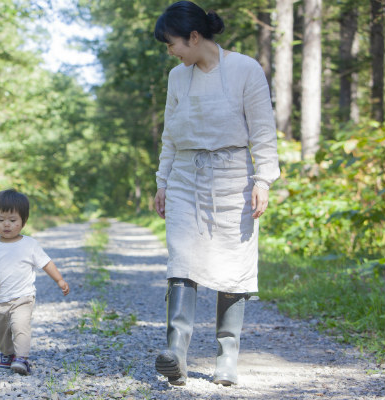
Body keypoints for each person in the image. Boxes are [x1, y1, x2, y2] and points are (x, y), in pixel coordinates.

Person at [151, 1, 280, 387]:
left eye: (172, 43)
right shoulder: (178, 77)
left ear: (194, 36)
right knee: (182, 259)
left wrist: (263, 180)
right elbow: (171, 134)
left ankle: (227, 357)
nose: (170, 52)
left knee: (233, 262)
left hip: (232, 177)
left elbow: (262, 129)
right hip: (186, 177)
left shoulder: (244, 69)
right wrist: (162, 180)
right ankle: (176, 353)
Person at [0, 188, 70, 375]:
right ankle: (7, 353)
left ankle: (21, 358)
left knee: (20, 326)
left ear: (23, 222)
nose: (6, 225)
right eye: (0, 220)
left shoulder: (30, 245)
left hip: (23, 297)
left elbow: (46, 263)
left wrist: (59, 280)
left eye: (12, 220)